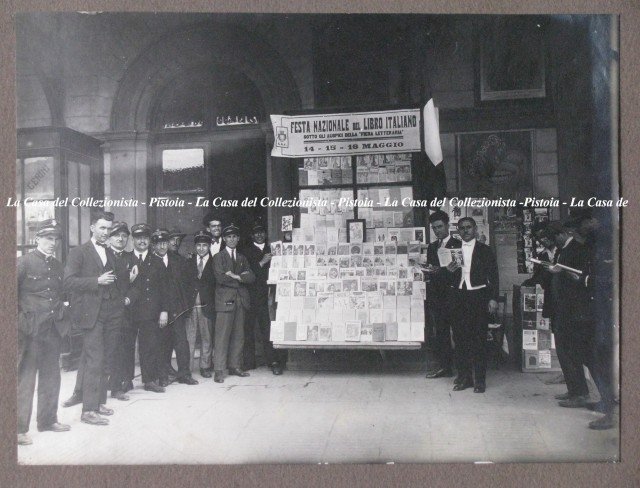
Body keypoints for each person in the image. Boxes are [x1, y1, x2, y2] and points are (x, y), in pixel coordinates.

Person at [63, 211, 128, 425]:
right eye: (102, 228)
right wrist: (96, 281)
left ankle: (99, 403)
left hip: (112, 313)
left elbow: (118, 281)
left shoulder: (110, 252)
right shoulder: (79, 252)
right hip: (92, 315)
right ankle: (88, 410)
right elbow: (69, 282)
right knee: (94, 360)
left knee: (107, 359)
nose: (106, 233)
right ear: (92, 228)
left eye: (109, 229)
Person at [17, 219, 70, 445]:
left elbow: (61, 295)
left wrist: (62, 313)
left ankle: (48, 420)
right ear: (37, 239)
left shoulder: (58, 266)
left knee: (51, 376)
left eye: (55, 239)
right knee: (25, 379)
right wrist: (19, 322)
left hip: (52, 329)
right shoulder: (23, 263)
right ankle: (18, 429)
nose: (53, 243)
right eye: (48, 238)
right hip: (29, 331)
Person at [447, 217, 499, 393]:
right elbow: (446, 278)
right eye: (462, 228)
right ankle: (465, 378)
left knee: (479, 340)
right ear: (458, 231)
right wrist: (449, 271)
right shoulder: (452, 250)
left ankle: (480, 380)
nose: (465, 231)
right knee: (460, 340)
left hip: (478, 296)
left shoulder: (485, 250)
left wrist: (493, 299)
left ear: (475, 229)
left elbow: (494, 276)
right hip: (459, 296)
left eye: (469, 227)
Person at [547, 218, 592, 408]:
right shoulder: (563, 250)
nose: (551, 241)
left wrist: (563, 272)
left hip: (573, 309)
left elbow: (581, 278)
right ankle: (574, 390)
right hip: (562, 308)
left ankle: (580, 393)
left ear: (564, 233)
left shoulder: (575, 249)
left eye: (554, 237)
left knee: (573, 352)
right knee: (565, 352)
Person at [122, 223, 168, 393]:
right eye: (138, 238)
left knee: (149, 346)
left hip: (150, 311)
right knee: (126, 347)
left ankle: (149, 380)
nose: (142, 241)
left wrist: (164, 310)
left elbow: (164, 289)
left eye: (145, 238)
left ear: (150, 240)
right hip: (129, 311)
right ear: (133, 240)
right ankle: (126, 380)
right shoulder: (125, 259)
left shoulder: (157, 261)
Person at [152, 229, 198, 386]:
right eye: (160, 243)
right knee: (162, 342)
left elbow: (186, 284)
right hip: (159, 311)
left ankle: (184, 374)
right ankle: (163, 375)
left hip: (177, 309)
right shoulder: (150, 261)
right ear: (155, 245)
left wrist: (186, 306)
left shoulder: (178, 261)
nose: (164, 246)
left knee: (181, 342)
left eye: (165, 242)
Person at [242, 219, 287, 375]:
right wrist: (262, 262)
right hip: (252, 295)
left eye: (261, 232)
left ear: (265, 234)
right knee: (248, 329)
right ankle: (249, 362)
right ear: (252, 235)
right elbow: (246, 273)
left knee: (268, 329)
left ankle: (273, 361)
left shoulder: (272, 249)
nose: (259, 235)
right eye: (256, 233)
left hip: (268, 296)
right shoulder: (246, 251)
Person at [212, 223, 256, 383]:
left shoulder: (242, 257)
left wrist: (236, 276)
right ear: (224, 239)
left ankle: (235, 366)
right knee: (222, 336)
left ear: (238, 239)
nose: (232, 239)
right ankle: (219, 369)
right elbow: (220, 278)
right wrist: (240, 278)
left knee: (239, 335)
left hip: (240, 301)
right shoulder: (219, 257)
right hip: (225, 301)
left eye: (234, 236)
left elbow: (251, 276)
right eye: (229, 236)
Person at [423, 210, 461, 379]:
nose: (437, 230)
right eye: (434, 228)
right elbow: (432, 268)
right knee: (441, 333)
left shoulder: (457, 245)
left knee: (459, 333)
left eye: (439, 227)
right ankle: (445, 367)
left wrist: (442, 272)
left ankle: (462, 369)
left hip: (454, 296)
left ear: (447, 226)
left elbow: (461, 272)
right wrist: (429, 270)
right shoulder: (432, 247)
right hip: (437, 296)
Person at [185, 230, 216, 378]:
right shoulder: (189, 261)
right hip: (191, 305)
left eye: (205, 245)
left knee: (206, 337)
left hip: (207, 305)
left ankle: (205, 366)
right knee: (189, 337)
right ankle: (187, 367)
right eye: (199, 245)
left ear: (209, 246)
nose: (201, 248)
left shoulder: (215, 262)